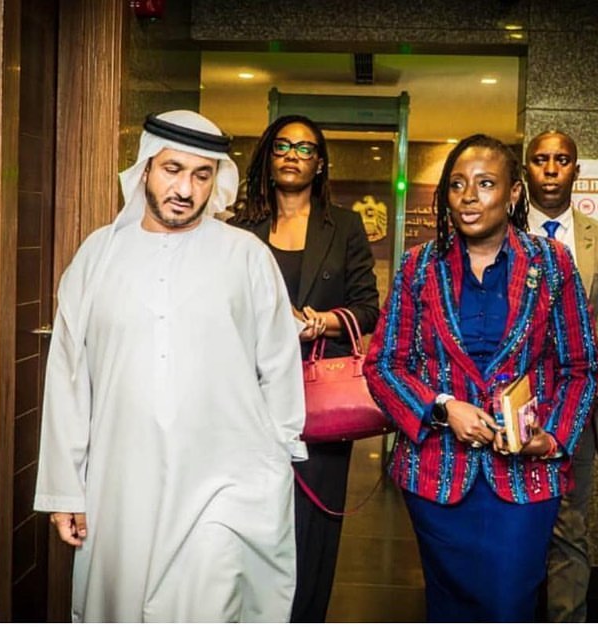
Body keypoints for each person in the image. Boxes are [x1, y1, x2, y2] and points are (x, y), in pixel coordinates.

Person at [33, 110, 307, 622]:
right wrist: (64, 487)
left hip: (227, 483)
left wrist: (275, 456)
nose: (185, 189)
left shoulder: (245, 256)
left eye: (202, 175)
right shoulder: (98, 256)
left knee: (211, 601)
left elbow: (279, 363)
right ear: (145, 168)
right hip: (121, 483)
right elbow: (69, 377)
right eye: (172, 170)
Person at [363, 133, 598, 622]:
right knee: (448, 607)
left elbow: (579, 367)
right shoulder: (418, 267)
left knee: (508, 604)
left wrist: (552, 438)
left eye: (485, 184)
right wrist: (442, 408)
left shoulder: (551, 264)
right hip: (437, 477)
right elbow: (384, 364)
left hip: (524, 480)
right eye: (457, 185)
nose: (468, 197)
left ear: (514, 193)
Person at [230, 114, 380, 622]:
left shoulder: (345, 226)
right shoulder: (237, 229)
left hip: (319, 400)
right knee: (251, 515)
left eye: (305, 148)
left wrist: (324, 322)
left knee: (312, 525)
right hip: (248, 395)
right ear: (267, 158)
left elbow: (367, 307)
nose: (293, 155)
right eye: (283, 146)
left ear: (320, 164)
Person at [524, 130, 598, 622]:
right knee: (513, 528)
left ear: (577, 170)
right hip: (512, 408)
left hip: (579, 410)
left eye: (562, 160)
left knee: (570, 530)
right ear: (525, 169)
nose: (551, 169)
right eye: (540, 159)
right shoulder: (499, 230)